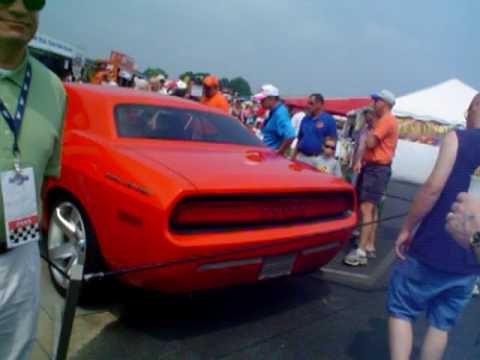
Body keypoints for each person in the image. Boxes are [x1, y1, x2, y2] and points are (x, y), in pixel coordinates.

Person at [387, 93, 480, 360]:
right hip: (472, 259)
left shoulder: (459, 138)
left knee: (402, 309)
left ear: (476, 107)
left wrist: (407, 227)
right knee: (441, 324)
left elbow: (432, 189)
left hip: (433, 246)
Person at [0, 1, 66, 359]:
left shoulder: (53, 89)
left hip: (21, 256)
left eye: (33, 0)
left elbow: (44, 179)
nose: (20, 9)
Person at [344, 90, 398, 266]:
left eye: (376, 100)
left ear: (385, 103)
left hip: (377, 169)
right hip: (374, 168)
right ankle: (367, 246)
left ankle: (361, 251)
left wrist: (372, 128)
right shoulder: (386, 120)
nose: (373, 103)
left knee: (367, 208)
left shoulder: (386, 120)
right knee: (370, 208)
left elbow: (370, 143)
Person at [292, 93, 337, 167]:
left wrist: (328, 164)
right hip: (300, 157)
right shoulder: (305, 119)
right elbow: (299, 139)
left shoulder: (328, 120)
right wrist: (293, 156)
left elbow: (332, 142)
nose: (308, 106)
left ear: (319, 104)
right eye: (308, 103)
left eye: (311, 103)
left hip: (316, 160)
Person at [255, 84, 296, 155]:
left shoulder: (280, 113)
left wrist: (279, 152)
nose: (260, 102)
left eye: (263, 100)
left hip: (270, 157)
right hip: (266, 154)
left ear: (271, 98)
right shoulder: (273, 111)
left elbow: (291, 135)